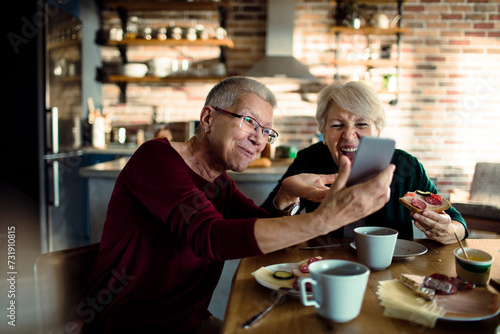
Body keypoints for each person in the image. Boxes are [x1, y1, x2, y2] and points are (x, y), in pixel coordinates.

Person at [69, 77, 394, 334]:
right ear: (208, 118)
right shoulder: (156, 158)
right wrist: (324, 219)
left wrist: (286, 195)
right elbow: (209, 237)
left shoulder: (218, 181)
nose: (259, 139)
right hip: (129, 325)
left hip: (189, 323)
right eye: (249, 121)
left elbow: (261, 233)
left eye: (266, 131)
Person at [262, 81, 468, 244]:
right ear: (323, 132)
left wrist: (447, 231)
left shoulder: (406, 165)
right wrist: (287, 198)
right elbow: (266, 221)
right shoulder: (310, 159)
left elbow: (459, 224)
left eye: (362, 124)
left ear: (378, 130)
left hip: (391, 269)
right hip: (326, 265)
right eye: (337, 125)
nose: (349, 135)